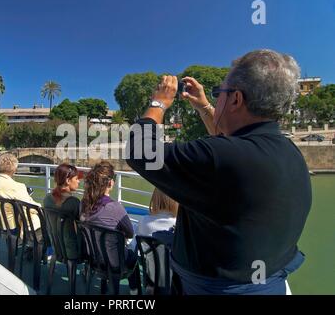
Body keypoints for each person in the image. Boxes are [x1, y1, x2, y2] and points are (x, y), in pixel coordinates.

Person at [126, 49, 311, 295]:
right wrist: (204, 106)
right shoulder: (290, 152)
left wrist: (159, 102)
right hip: (270, 283)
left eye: (218, 93)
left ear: (235, 99)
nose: (215, 99)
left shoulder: (220, 156)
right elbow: (232, 142)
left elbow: (140, 151)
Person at [80, 161, 141, 294]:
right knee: (132, 255)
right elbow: (130, 233)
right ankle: (135, 291)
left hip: (94, 260)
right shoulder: (115, 207)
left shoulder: (83, 204)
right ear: (110, 183)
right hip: (115, 263)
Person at [0, 153, 42, 238]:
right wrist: (41, 208)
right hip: (14, 226)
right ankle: (40, 247)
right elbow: (31, 206)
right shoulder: (17, 186)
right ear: (14, 169)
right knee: (41, 218)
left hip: (0, 223)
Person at [43, 163, 82, 260]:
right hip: (72, 251)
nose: (79, 182)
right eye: (77, 179)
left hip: (56, 247)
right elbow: (82, 226)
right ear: (68, 180)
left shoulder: (47, 199)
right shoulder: (73, 203)